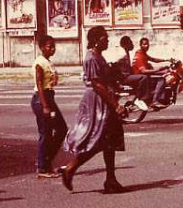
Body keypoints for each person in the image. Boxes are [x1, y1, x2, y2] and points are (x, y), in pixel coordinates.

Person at [59, 26, 128, 194]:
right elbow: (97, 85)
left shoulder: (100, 57)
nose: (108, 40)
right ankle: (70, 168)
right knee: (96, 141)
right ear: (96, 40)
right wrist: (115, 104)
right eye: (105, 38)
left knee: (110, 141)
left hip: (105, 101)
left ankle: (111, 179)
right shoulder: (91, 58)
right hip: (98, 104)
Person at [31, 34, 67, 179]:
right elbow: (39, 84)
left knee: (61, 129)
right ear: (41, 48)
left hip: (49, 98)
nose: (52, 49)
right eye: (49, 46)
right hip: (42, 100)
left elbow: (50, 81)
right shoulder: (39, 62)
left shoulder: (48, 62)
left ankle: (45, 162)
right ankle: (43, 167)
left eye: (53, 46)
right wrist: (45, 106)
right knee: (45, 134)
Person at [132, 37, 169, 108]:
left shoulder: (143, 53)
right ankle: (155, 101)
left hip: (145, 75)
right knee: (161, 79)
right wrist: (158, 70)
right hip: (141, 77)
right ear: (141, 45)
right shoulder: (139, 55)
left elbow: (153, 59)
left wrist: (166, 60)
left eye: (148, 44)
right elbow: (144, 71)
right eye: (144, 44)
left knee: (164, 74)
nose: (147, 46)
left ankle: (161, 97)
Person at [117, 36, 149, 111]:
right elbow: (116, 66)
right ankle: (141, 98)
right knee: (143, 77)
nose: (132, 44)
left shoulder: (127, 53)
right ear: (125, 45)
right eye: (130, 43)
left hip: (128, 75)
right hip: (125, 77)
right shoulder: (122, 55)